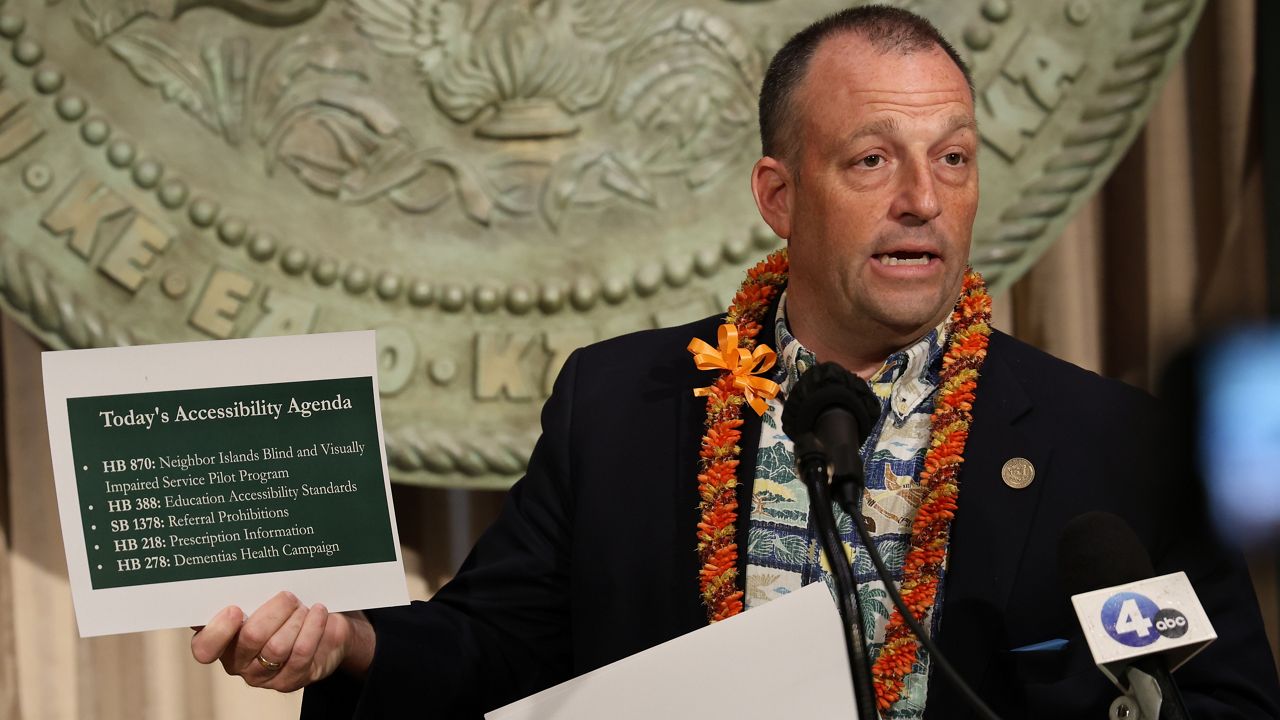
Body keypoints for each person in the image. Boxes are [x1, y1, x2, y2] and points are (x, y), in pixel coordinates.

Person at [191, 6, 1280, 718]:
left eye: (951, 159)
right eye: (870, 158)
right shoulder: (618, 406)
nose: (921, 198)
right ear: (776, 195)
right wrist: (346, 647)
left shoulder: (1109, 448)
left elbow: (1216, 701)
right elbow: (490, 648)